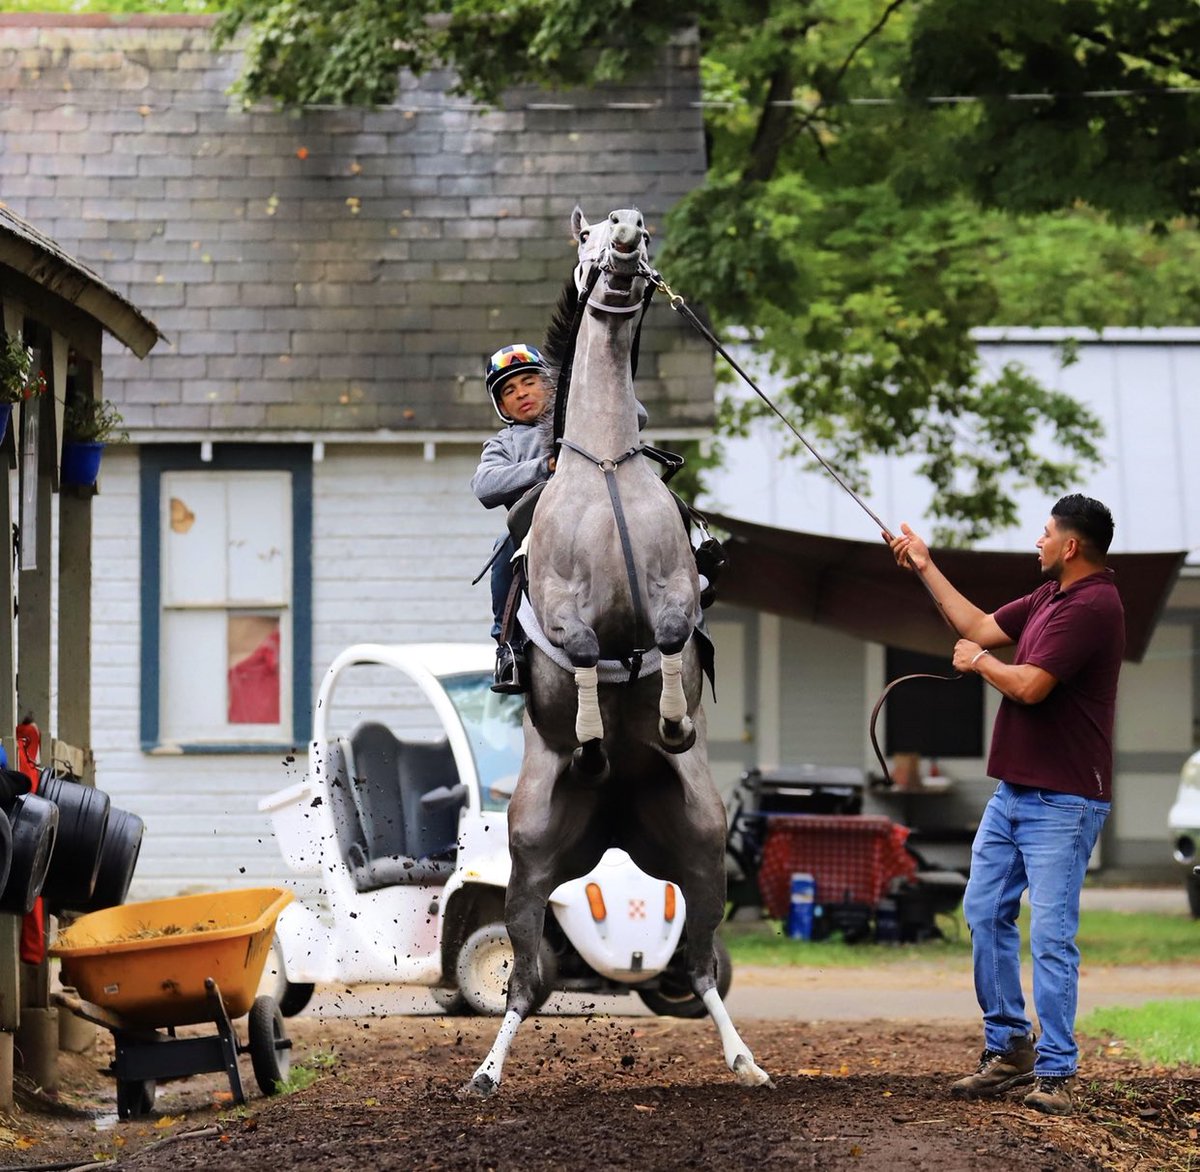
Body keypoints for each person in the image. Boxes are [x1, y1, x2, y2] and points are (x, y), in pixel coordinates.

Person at [888, 494, 1124, 1118]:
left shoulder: (1095, 606)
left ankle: (1056, 1070)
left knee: (1050, 935)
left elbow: (1030, 684)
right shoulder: (1048, 597)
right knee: (984, 911)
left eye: (1046, 533)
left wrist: (982, 664)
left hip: (1065, 800)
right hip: (1013, 792)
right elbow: (976, 625)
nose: (1037, 541)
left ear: (1071, 546)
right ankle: (1009, 1046)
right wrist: (923, 564)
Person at [471, 343, 558, 693]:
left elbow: (638, 415)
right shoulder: (503, 444)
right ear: (501, 405)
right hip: (540, 534)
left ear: (549, 384)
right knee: (504, 544)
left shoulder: (583, 413)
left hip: (611, 512)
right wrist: (543, 467)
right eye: (509, 389)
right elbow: (484, 485)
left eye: (529, 381)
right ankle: (509, 646)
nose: (521, 392)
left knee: (664, 508)